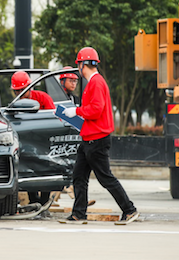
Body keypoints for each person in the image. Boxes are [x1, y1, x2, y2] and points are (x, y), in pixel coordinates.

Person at [62, 47, 139, 225]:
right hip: (89, 138)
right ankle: (78, 213)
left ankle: (129, 209)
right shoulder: (94, 83)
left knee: (105, 178)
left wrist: (76, 111)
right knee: (79, 176)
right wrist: (77, 113)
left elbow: (96, 110)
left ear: (82, 65)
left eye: (78, 65)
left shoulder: (96, 83)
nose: (78, 69)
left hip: (96, 139)